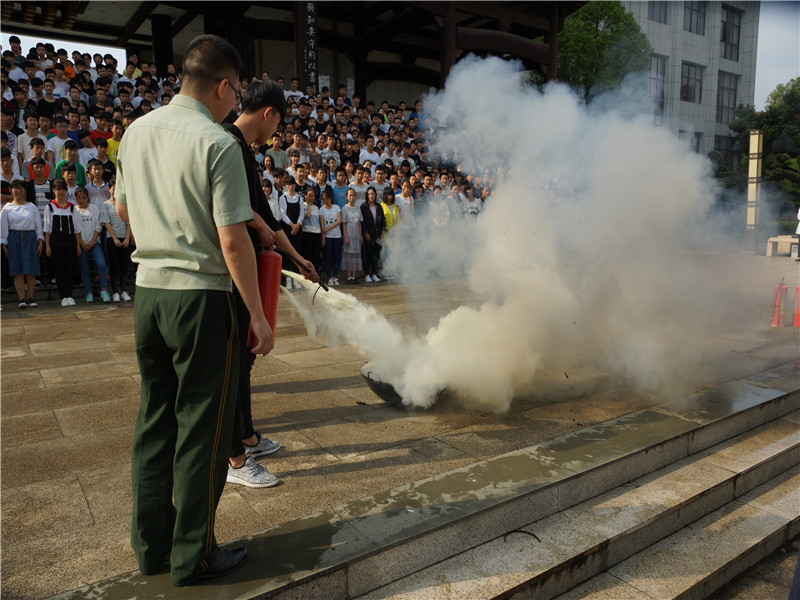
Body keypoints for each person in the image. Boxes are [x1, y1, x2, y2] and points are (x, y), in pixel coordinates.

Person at [115, 34, 274, 587]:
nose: (238, 106)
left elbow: (121, 207)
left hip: (148, 292)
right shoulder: (218, 142)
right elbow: (234, 241)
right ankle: (194, 556)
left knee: (154, 423)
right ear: (225, 86)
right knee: (203, 428)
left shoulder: (135, 131)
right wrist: (256, 314)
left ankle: (151, 549)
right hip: (201, 298)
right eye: (238, 94)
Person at [222, 79, 318, 488]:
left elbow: (266, 217)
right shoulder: (227, 144)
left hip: (246, 268)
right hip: (227, 273)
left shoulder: (244, 151)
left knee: (243, 361)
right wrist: (257, 222)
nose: (276, 133)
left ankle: (247, 436)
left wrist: (297, 257)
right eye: (278, 124)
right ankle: (236, 461)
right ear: (269, 114)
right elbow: (239, 213)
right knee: (231, 365)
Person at [1, 180, 43, 308]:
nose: (18, 190)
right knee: (17, 270)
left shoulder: (32, 207)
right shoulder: (7, 208)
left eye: (21, 188)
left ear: (25, 190)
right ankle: (21, 299)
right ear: (10, 190)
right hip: (13, 238)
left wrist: (40, 241)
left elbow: (38, 226)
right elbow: (3, 228)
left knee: (30, 270)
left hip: (30, 238)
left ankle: (30, 298)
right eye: (15, 188)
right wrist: (4, 244)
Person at [43, 177, 80, 306]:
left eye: (63, 189)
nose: (61, 192)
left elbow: (76, 228)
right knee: (59, 269)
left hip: (70, 241)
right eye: (58, 189)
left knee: (69, 268)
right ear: (53, 190)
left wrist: (78, 245)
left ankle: (70, 295)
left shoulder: (71, 208)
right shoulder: (50, 207)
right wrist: (47, 245)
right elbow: (47, 228)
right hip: (56, 241)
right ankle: (63, 296)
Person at [73, 186, 110, 303]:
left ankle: (104, 290)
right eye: (78, 198)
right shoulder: (73, 210)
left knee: (102, 264)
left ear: (88, 198)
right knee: (84, 268)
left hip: (94, 242)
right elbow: (75, 229)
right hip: (81, 243)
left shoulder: (93, 208)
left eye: (84, 198)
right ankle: (88, 292)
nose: (81, 200)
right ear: (75, 198)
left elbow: (98, 225)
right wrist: (81, 243)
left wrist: (93, 241)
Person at [101, 183, 132, 302]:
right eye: (113, 189)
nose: (115, 191)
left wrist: (127, 238)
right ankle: (115, 291)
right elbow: (106, 222)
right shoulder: (106, 205)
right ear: (109, 190)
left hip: (124, 238)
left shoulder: (125, 204)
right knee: (114, 266)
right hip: (111, 239)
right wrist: (114, 238)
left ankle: (124, 290)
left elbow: (128, 222)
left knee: (124, 266)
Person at [360, 186, 385, 282]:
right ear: (367, 195)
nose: (371, 196)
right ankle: (366, 274)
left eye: (373, 194)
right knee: (367, 256)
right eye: (370, 194)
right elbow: (362, 222)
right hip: (368, 235)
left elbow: (382, 220)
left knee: (376, 255)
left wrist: (382, 231)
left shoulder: (379, 206)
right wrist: (365, 233)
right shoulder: (363, 207)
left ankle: (374, 274)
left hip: (377, 234)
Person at [319, 188, 342, 285]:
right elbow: (322, 225)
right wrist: (323, 237)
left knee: (336, 256)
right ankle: (329, 277)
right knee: (328, 257)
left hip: (337, 236)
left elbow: (339, 221)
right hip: (327, 237)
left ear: (330, 198)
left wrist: (328, 229)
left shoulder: (336, 207)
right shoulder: (321, 209)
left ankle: (335, 276)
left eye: (327, 198)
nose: (326, 201)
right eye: (324, 199)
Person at [341, 187, 363, 283]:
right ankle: (349, 276)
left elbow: (359, 223)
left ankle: (354, 276)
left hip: (356, 232)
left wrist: (361, 236)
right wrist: (346, 237)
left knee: (355, 255)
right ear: (346, 197)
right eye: (350, 195)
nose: (352, 197)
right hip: (349, 232)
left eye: (353, 195)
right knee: (349, 255)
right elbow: (343, 224)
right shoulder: (345, 208)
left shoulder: (358, 208)